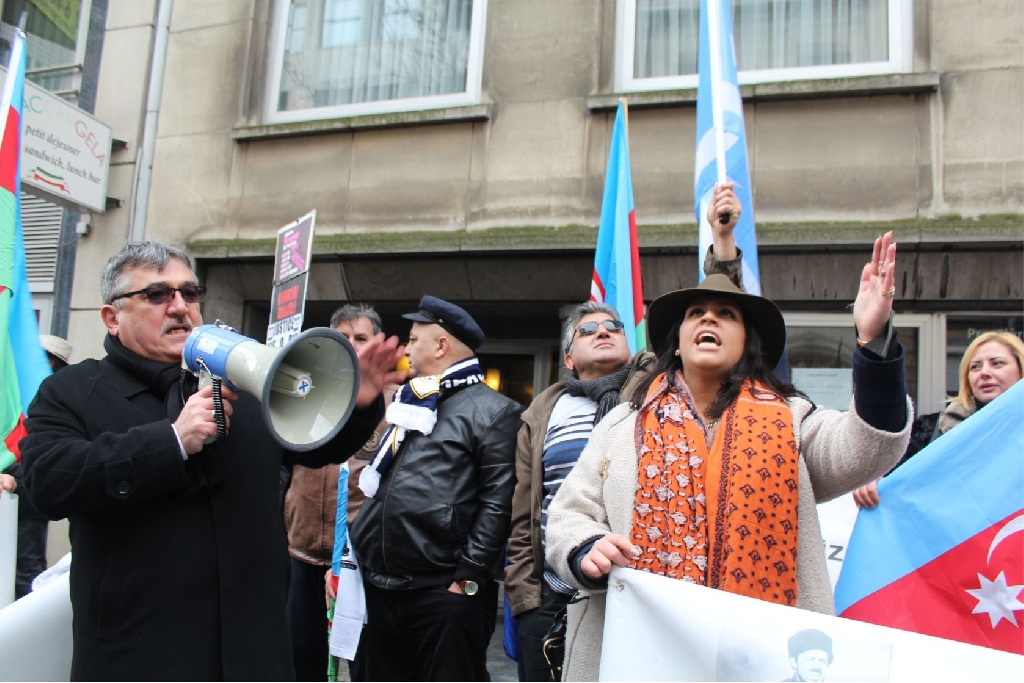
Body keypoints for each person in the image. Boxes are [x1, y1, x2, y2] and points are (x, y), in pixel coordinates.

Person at [19, 241, 404, 681]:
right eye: (157, 295)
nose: (179, 307)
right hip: (140, 654)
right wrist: (172, 441)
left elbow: (318, 448)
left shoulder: (243, 382)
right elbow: (48, 481)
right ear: (112, 318)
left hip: (254, 652)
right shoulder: (72, 391)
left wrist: (354, 405)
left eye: (190, 292)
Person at [544, 222, 912, 680]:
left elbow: (868, 445)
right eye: (696, 313)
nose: (708, 320)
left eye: (726, 314)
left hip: (760, 658)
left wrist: (873, 346)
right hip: (634, 650)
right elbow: (568, 514)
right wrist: (586, 549)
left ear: (746, 342)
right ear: (677, 341)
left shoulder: (794, 420)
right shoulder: (621, 424)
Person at [504, 183, 746, 681]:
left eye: (613, 326)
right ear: (568, 357)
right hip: (553, 590)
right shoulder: (541, 413)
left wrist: (722, 246)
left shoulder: (657, 389)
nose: (604, 331)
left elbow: (713, 325)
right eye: (588, 330)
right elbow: (524, 511)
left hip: (643, 588)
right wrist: (525, 598)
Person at [350, 295, 523, 681]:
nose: (406, 349)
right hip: (383, 589)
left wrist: (468, 578)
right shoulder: (411, 401)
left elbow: (499, 503)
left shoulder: (495, 411)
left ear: (442, 345)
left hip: (443, 595)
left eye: (413, 340)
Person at [285, 303, 395, 681]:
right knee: (302, 663)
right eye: (342, 337)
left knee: (367, 667)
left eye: (360, 338)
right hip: (302, 555)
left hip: (360, 564)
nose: (351, 345)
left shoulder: (394, 403)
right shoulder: (300, 394)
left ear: (376, 343)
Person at [853, 330, 1024, 509]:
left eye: (997, 363)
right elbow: (891, 476)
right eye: (975, 367)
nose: (984, 373)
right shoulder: (931, 430)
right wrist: (874, 481)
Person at [1, 334, 73, 599]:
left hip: (26, 487)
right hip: (18, 484)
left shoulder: (54, 397)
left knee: (25, 571)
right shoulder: (14, 392)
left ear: (50, 361)